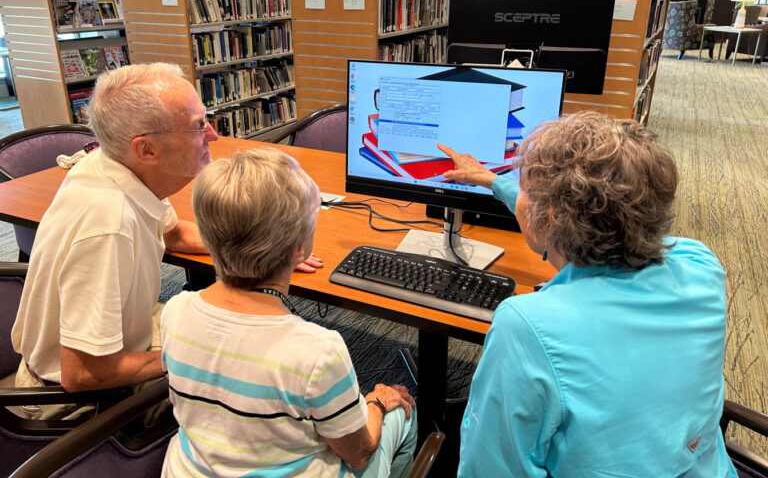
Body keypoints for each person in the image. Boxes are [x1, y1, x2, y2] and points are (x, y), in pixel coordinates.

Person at [10, 63, 322, 419]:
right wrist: (191, 356)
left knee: (233, 334)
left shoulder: (113, 166)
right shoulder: (107, 225)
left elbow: (174, 235)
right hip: (76, 403)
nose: (213, 136)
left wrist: (269, 245)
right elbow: (82, 374)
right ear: (147, 150)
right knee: (247, 373)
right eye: (197, 126)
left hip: (120, 344)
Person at [439, 112, 737, 477]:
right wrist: (492, 181)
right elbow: (600, 228)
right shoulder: (701, 264)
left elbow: (489, 469)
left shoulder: (527, 327)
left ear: (548, 220)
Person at [160, 147, 418, 478]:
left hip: (190, 471)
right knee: (402, 410)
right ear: (300, 248)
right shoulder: (318, 352)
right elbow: (361, 453)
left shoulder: (176, 311)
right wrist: (377, 404)